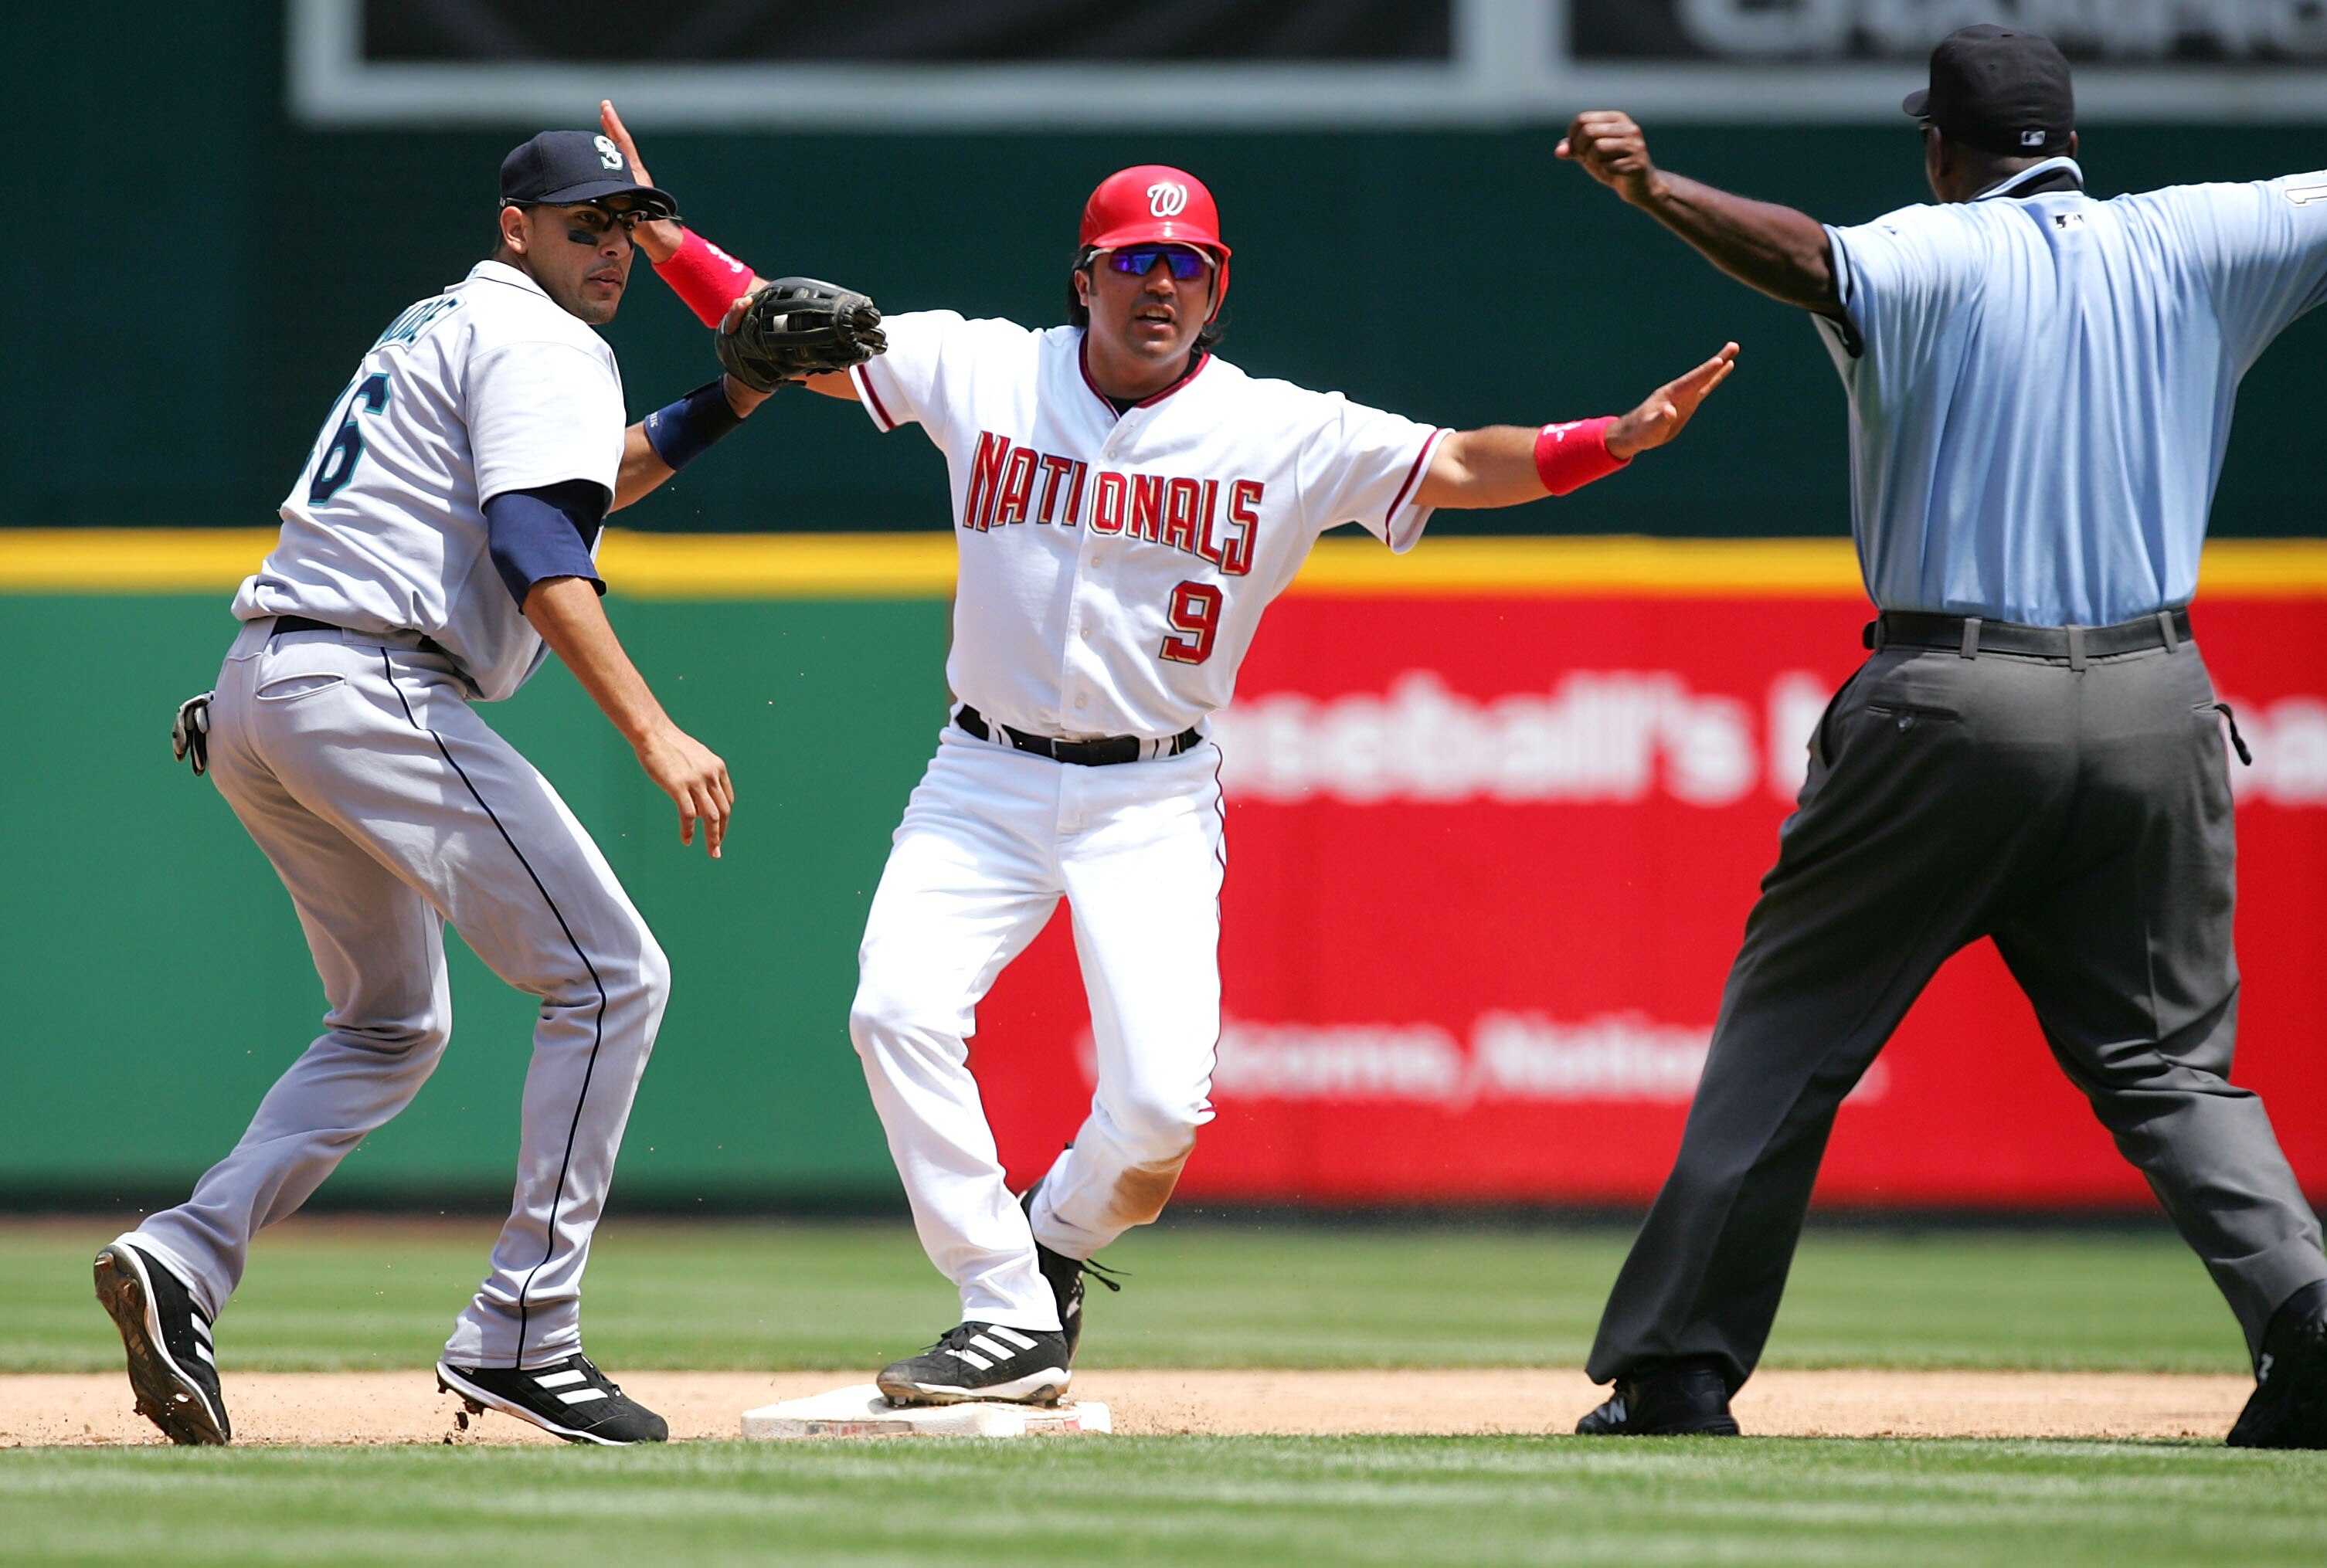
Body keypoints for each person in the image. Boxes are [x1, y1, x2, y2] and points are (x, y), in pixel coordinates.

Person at [598, 103, 1739, 1406]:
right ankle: (1003, 1309)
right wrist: (667, 233)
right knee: (894, 1009)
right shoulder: (983, 367)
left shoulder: (1281, 430)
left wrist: (1618, 440)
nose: (1158, 283)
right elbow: (783, 334)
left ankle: (1050, 1244)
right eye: (1133, 262)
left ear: (1217, 291)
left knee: (1155, 1114)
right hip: (984, 774)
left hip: (1152, 791)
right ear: (1083, 280)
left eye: (1184, 264)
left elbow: (1464, 462)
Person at [1556, 24, 2327, 1447]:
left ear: (1941, 148)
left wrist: (1656, 189)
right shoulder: (2203, 237)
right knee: (2168, 1066)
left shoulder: (1930, 249)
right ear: (2074, 142)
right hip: (2162, 697)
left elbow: (1804, 257)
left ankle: (1677, 1366)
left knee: (1789, 1040)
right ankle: (2308, 1314)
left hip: (1956, 699)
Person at [94, 129, 793, 1447]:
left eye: (628, 224)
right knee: (610, 976)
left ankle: (182, 1257)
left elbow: (570, 493)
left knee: (392, 1023)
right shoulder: (541, 338)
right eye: (584, 221)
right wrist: (651, 726)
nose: (611, 247)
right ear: (516, 225)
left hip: (267, 683)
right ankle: (526, 1327)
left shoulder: (447, 320)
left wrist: (731, 400)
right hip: (370, 682)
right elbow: (538, 542)